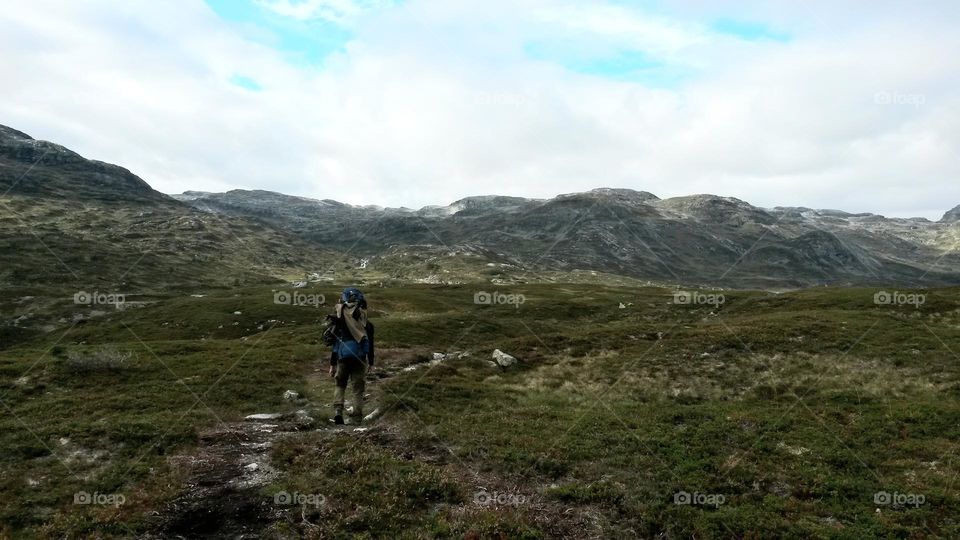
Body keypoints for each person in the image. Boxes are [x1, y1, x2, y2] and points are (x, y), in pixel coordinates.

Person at [328, 287, 375, 425]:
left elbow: (335, 345)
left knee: (340, 384)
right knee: (358, 390)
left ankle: (338, 412)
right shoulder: (368, 324)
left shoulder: (340, 321)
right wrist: (371, 362)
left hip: (342, 357)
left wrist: (332, 364)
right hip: (360, 358)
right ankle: (357, 418)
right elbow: (370, 345)